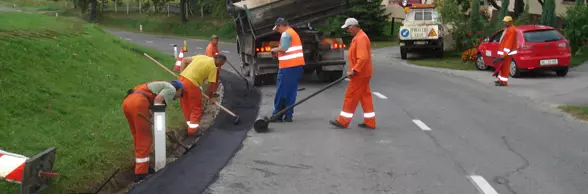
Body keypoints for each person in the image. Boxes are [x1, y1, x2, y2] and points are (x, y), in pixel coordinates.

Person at [122, 80, 184, 182]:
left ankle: (142, 166)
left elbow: (152, 106)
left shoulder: (158, 86)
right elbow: (158, 101)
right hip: (138, 103)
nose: (177, 98)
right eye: (181, 94)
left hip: (127, 102)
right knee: (145, 138)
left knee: (137, 136)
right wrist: (164, 128)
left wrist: (156, 121)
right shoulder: (171, 89)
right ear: (179, 89)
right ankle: (141, 173)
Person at [329, 18, 376, 129]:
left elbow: (363, 58)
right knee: (365, 97)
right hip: (363, 73)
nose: (347, 31)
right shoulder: (360, 37)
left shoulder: (360, 38)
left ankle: (343, 121)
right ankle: (370, 121)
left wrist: (354, 70)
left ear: (353, 26)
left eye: (348, 28)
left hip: (359, 74)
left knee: (351, 96)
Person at [179, 54, 227, 135]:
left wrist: (181, 74)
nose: (220, 66)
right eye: (221, 64)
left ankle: (189, 126)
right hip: (192, 84)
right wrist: (210, 97)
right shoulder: (213, 67)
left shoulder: (201, 57)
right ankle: (192, 131)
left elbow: (184, 60)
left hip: (181, 81)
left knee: (186, 105)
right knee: (196, 108)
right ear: (218, 60)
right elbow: (210, 85)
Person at [269, 17, 305, 122]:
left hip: (288, 67)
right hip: (295, 66)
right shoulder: (293, 33)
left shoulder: (286, 34)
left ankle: (277, 114)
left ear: (282, 25)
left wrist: (274, 50)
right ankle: (288, 115)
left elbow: (284, 48)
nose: (278, 31)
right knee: (290, 91)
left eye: (278, 28)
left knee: (282, 91)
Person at [494, 16, 518, 87]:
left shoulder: (512, 30)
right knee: (501, 66)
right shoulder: (508, 29)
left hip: (507, 53)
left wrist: (504, 54)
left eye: (506, 22)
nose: (504, 23)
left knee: (505, 67)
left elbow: (509, 43)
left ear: (510, 22)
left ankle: (504, 82)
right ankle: (500, 80)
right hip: (504, 52)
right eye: (504, 22)